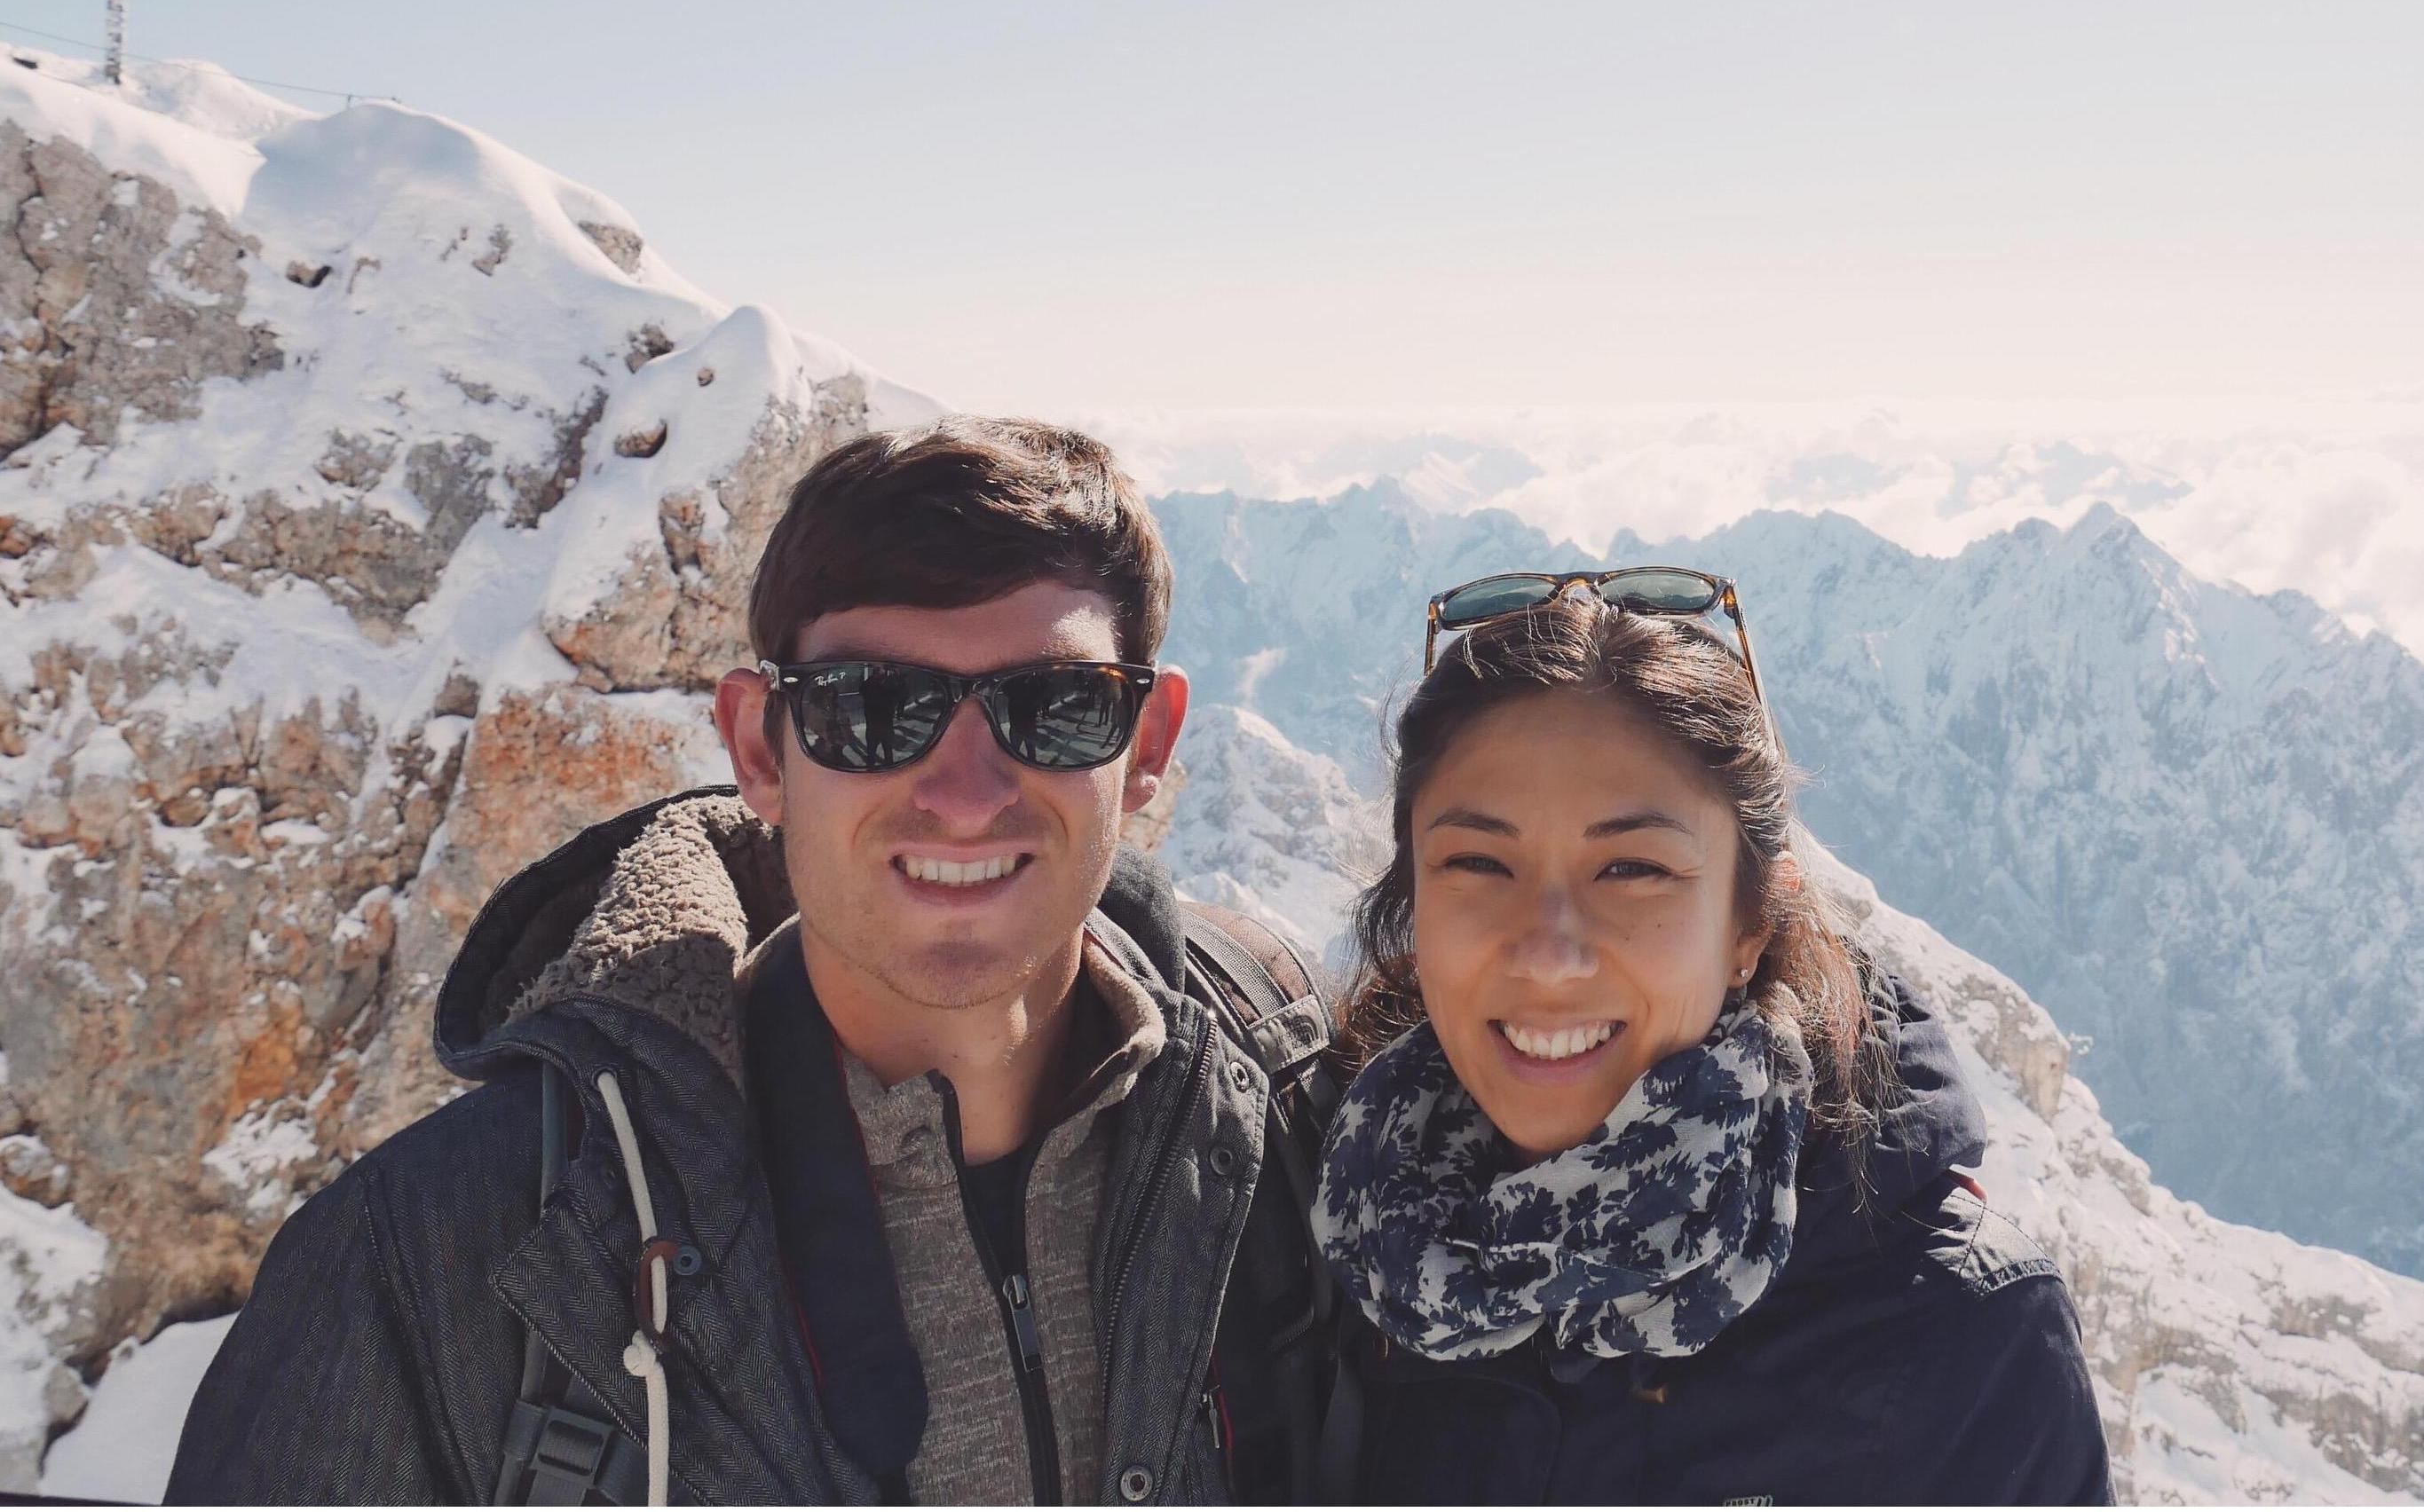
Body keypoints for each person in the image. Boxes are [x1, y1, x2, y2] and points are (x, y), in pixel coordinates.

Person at [170, 417, 1336, 1506]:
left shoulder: (1280, 1085)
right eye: (873, 707)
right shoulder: (429, 1260)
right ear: (758, 749)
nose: (966, 792)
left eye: (1057, 705)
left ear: (1148, 743)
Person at [1312, 572, 2112, 1506]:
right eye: (1479, 862)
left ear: (1751, 924)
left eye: (1630, 868)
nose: (1547, 954)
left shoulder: (1956, 1340)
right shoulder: (1325, 1246)